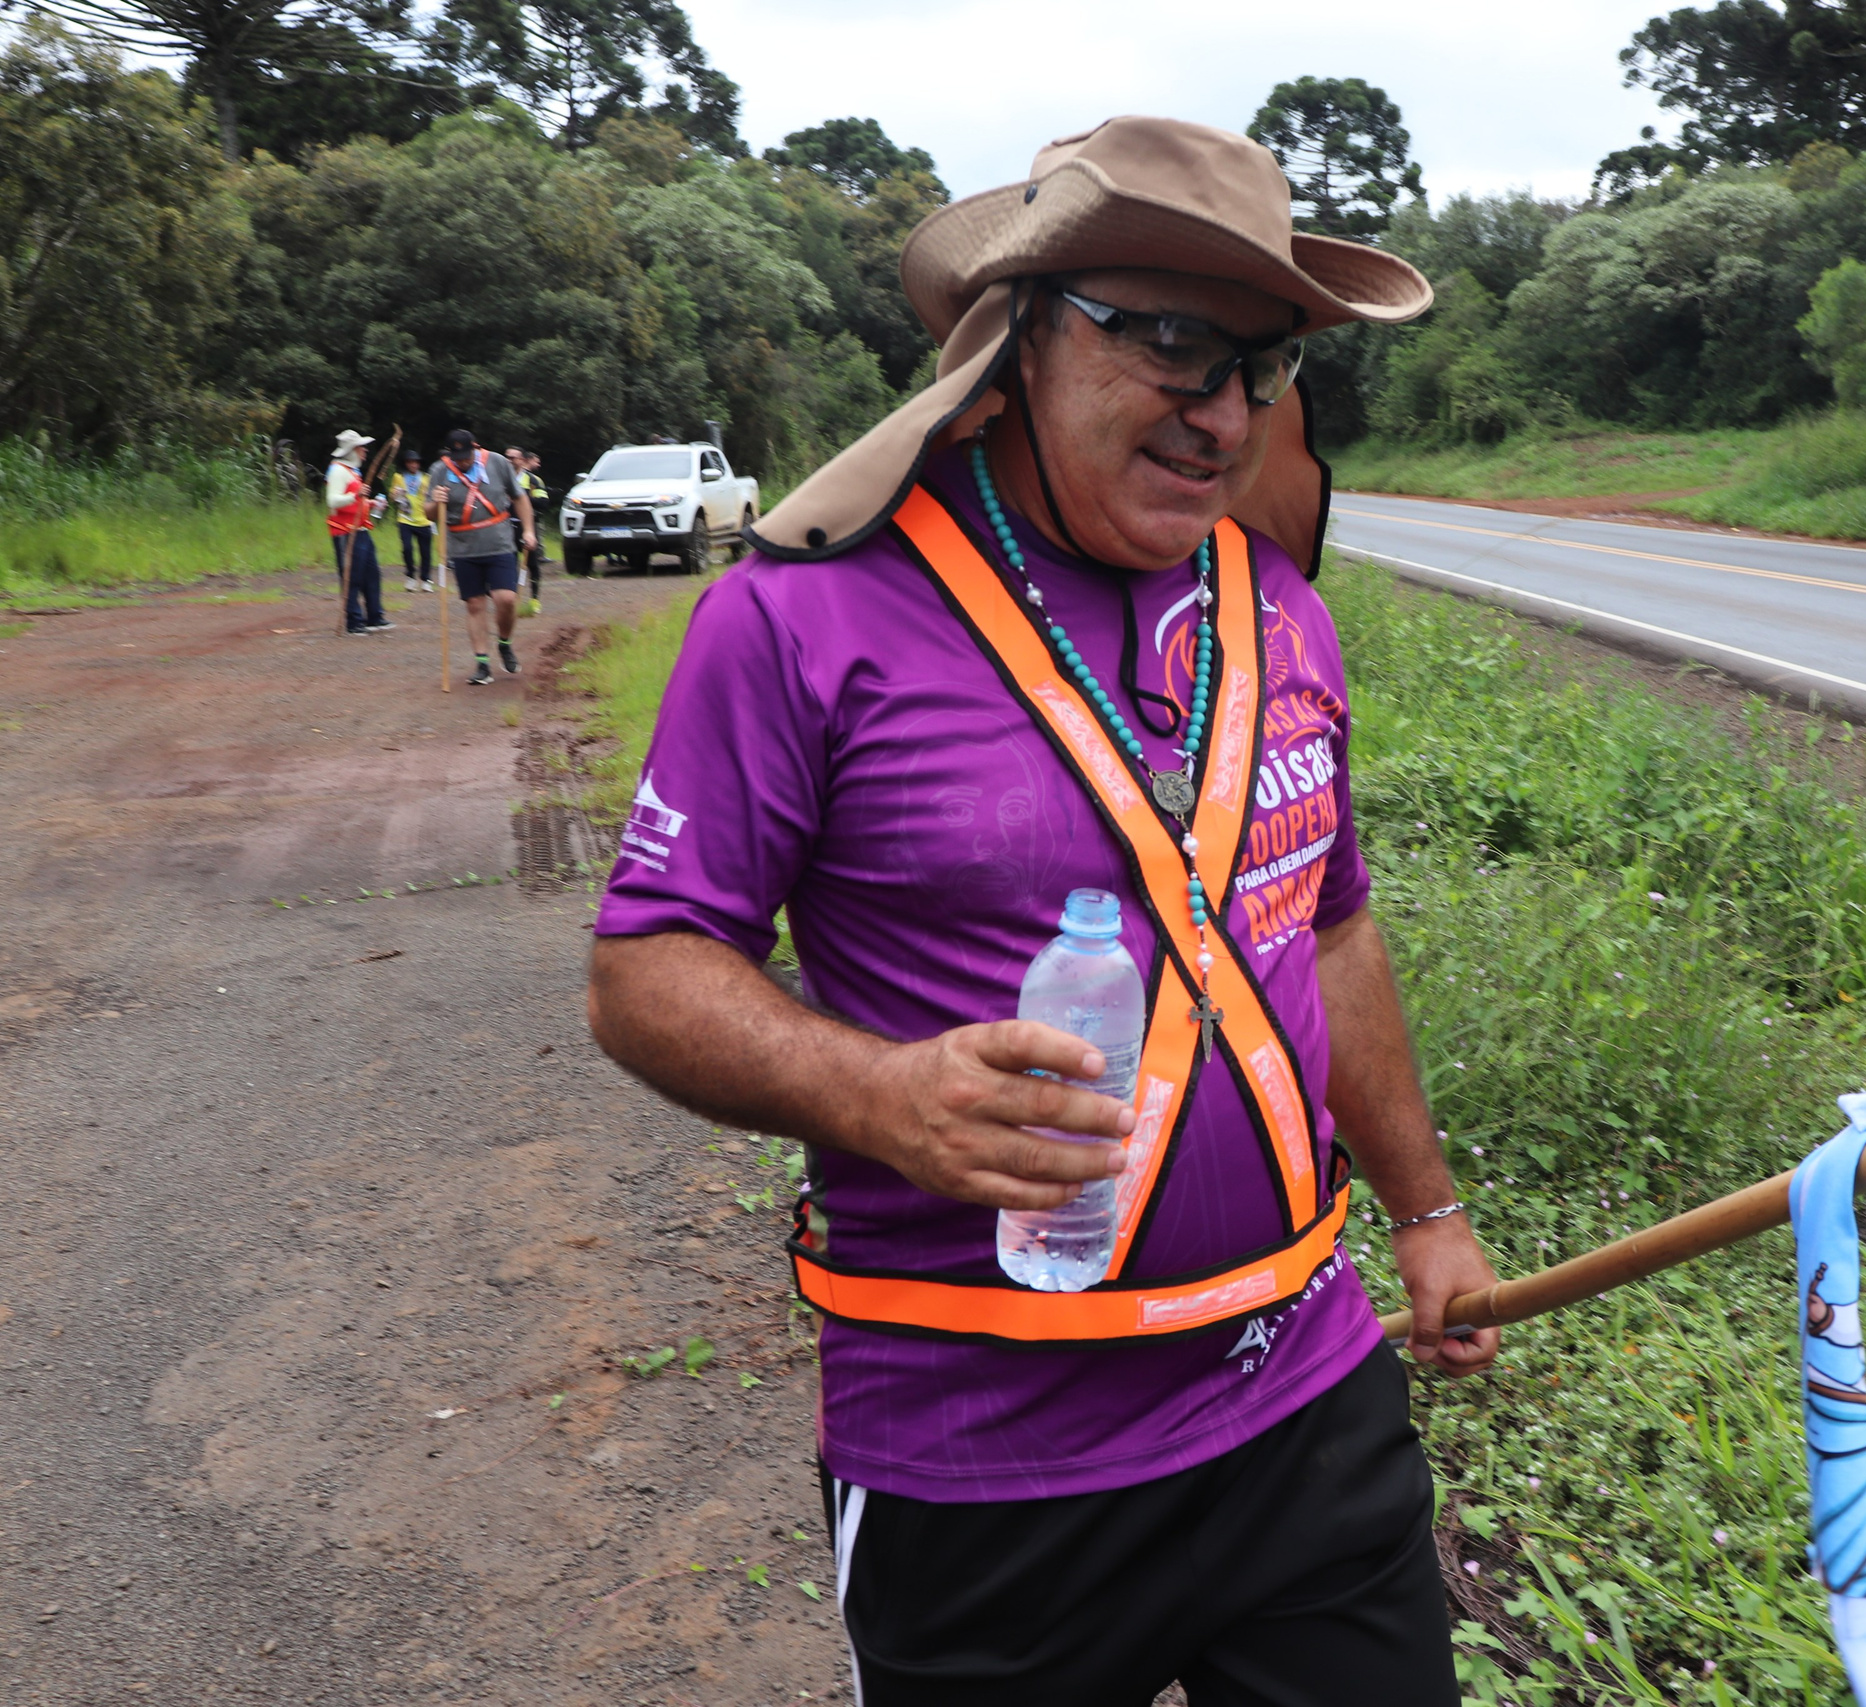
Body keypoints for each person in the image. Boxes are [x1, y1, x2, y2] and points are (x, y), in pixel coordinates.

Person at [586, 117, 1490, 1706]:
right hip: (985, 1463)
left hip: (1308, 1409)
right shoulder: (800, 619)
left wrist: (1426, 1213)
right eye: (1174, 345)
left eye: (1264, 367)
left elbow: (1326, 923)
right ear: (1018, 337)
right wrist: (876, 1092)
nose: (1224, 415)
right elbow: (647, 962)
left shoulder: (1276, 608)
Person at [425, 426, 534, 685]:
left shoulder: (496, 462)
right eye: (457, 458)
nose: (462, 462)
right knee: (475, 605)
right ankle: (482, 663)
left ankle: (505, 643)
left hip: (499, 542)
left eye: (466, 457)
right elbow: (429, 513)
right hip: (463, 547)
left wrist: (529, 530)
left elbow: (519, 498)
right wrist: (435, 502)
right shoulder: (439, 471)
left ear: (475, 448)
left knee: (506, 599)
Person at [323, 428, 392, 636]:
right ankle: (354, 621)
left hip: (360, 529)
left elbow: (355, 500)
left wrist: (370, 504)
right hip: (345, 532)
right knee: (352, 576)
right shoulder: (337, 471)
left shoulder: (352, 471)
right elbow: (333, 501)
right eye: (362, 448)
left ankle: (375, 616)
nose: (365, 452)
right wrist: (356, 495)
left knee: (372, 573)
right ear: (352, 450)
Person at [507, 446, 549, 615]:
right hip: (505, 526)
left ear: (522, 461)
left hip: (527, 526)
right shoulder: (500, 478)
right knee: (508, 563)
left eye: (513, 458)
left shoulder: (533, 480)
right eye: (507, 457)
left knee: (532, 563)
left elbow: (543, 503)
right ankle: (511, 599)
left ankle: (534, 599)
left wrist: (521, 498)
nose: (510, 461)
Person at [392, 449, 435, 592]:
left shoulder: (425, 478)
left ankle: (425, 579)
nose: (413, 465)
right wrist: (395, 494)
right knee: (407, 548)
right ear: (406, 463)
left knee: (425, 551)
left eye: (416, 462)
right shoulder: (398, 477)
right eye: (411, 462)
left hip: (423, 519)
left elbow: (432, 497)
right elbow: (393, 497)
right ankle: (410, 576)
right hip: (405, 518)